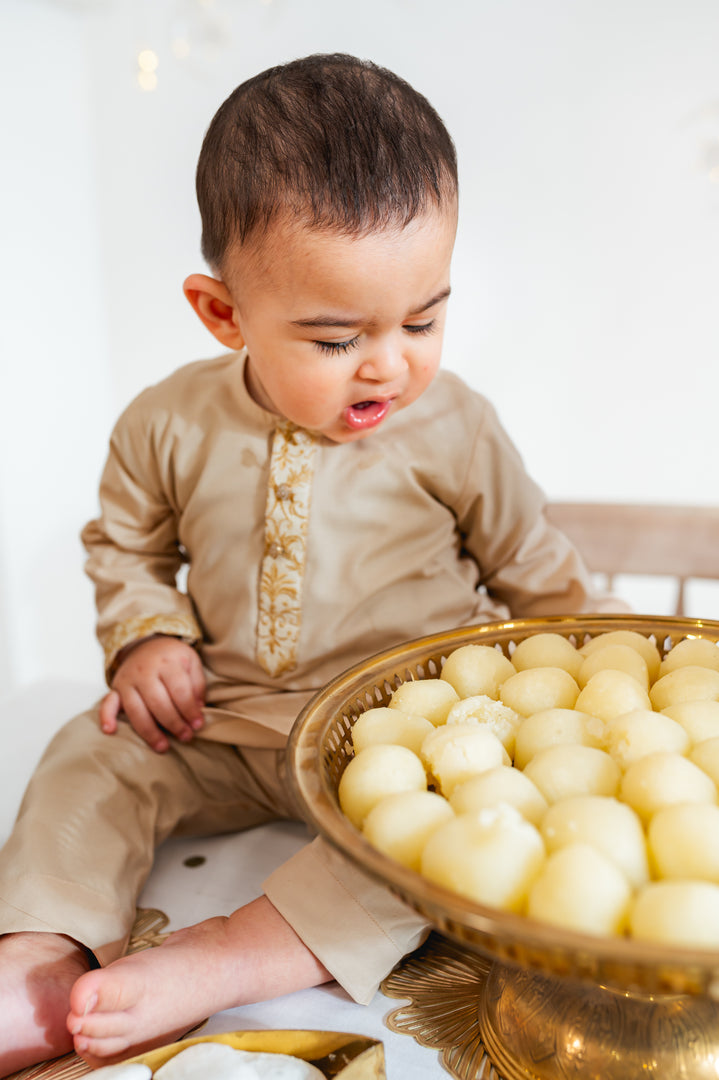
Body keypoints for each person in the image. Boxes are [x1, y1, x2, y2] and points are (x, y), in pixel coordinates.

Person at [0, 53, 625, 1073]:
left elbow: (533, 573)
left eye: (423, 318)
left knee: (461, 833)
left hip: (398, 740)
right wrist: (145, 633)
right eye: (338, 337)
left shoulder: (456, 427)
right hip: (224, 719)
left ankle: (226, 956)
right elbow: (126, 544)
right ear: (224, 314)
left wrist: (598, 664)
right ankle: (44, 956)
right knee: (89, 751)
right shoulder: (167, 421)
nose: (391, 361)